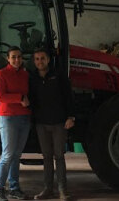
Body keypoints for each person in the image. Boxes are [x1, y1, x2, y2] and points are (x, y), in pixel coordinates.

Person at [29, 48, 75, 200]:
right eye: (37, 59)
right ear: (34, 61)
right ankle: (48, 189)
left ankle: (63, 190)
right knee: (47, 157)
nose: (39, 61)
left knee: (59, 156)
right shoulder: (32, 78)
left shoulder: (58, 75)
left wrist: (71, 117)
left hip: (59, 123)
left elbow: (68, 96)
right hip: (41, 123)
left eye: (42, 58)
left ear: (48, 60)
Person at [0, 46, 31, 201]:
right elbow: (0, 96)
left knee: (16, 155)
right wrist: (20, 98)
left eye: (19, 57)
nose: (17, 60)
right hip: (8, 117)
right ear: (8, 58)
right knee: (8, 155)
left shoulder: (25, 75)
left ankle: (14, 188)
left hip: (24, 118)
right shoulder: (1, 74)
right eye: (13, 57)